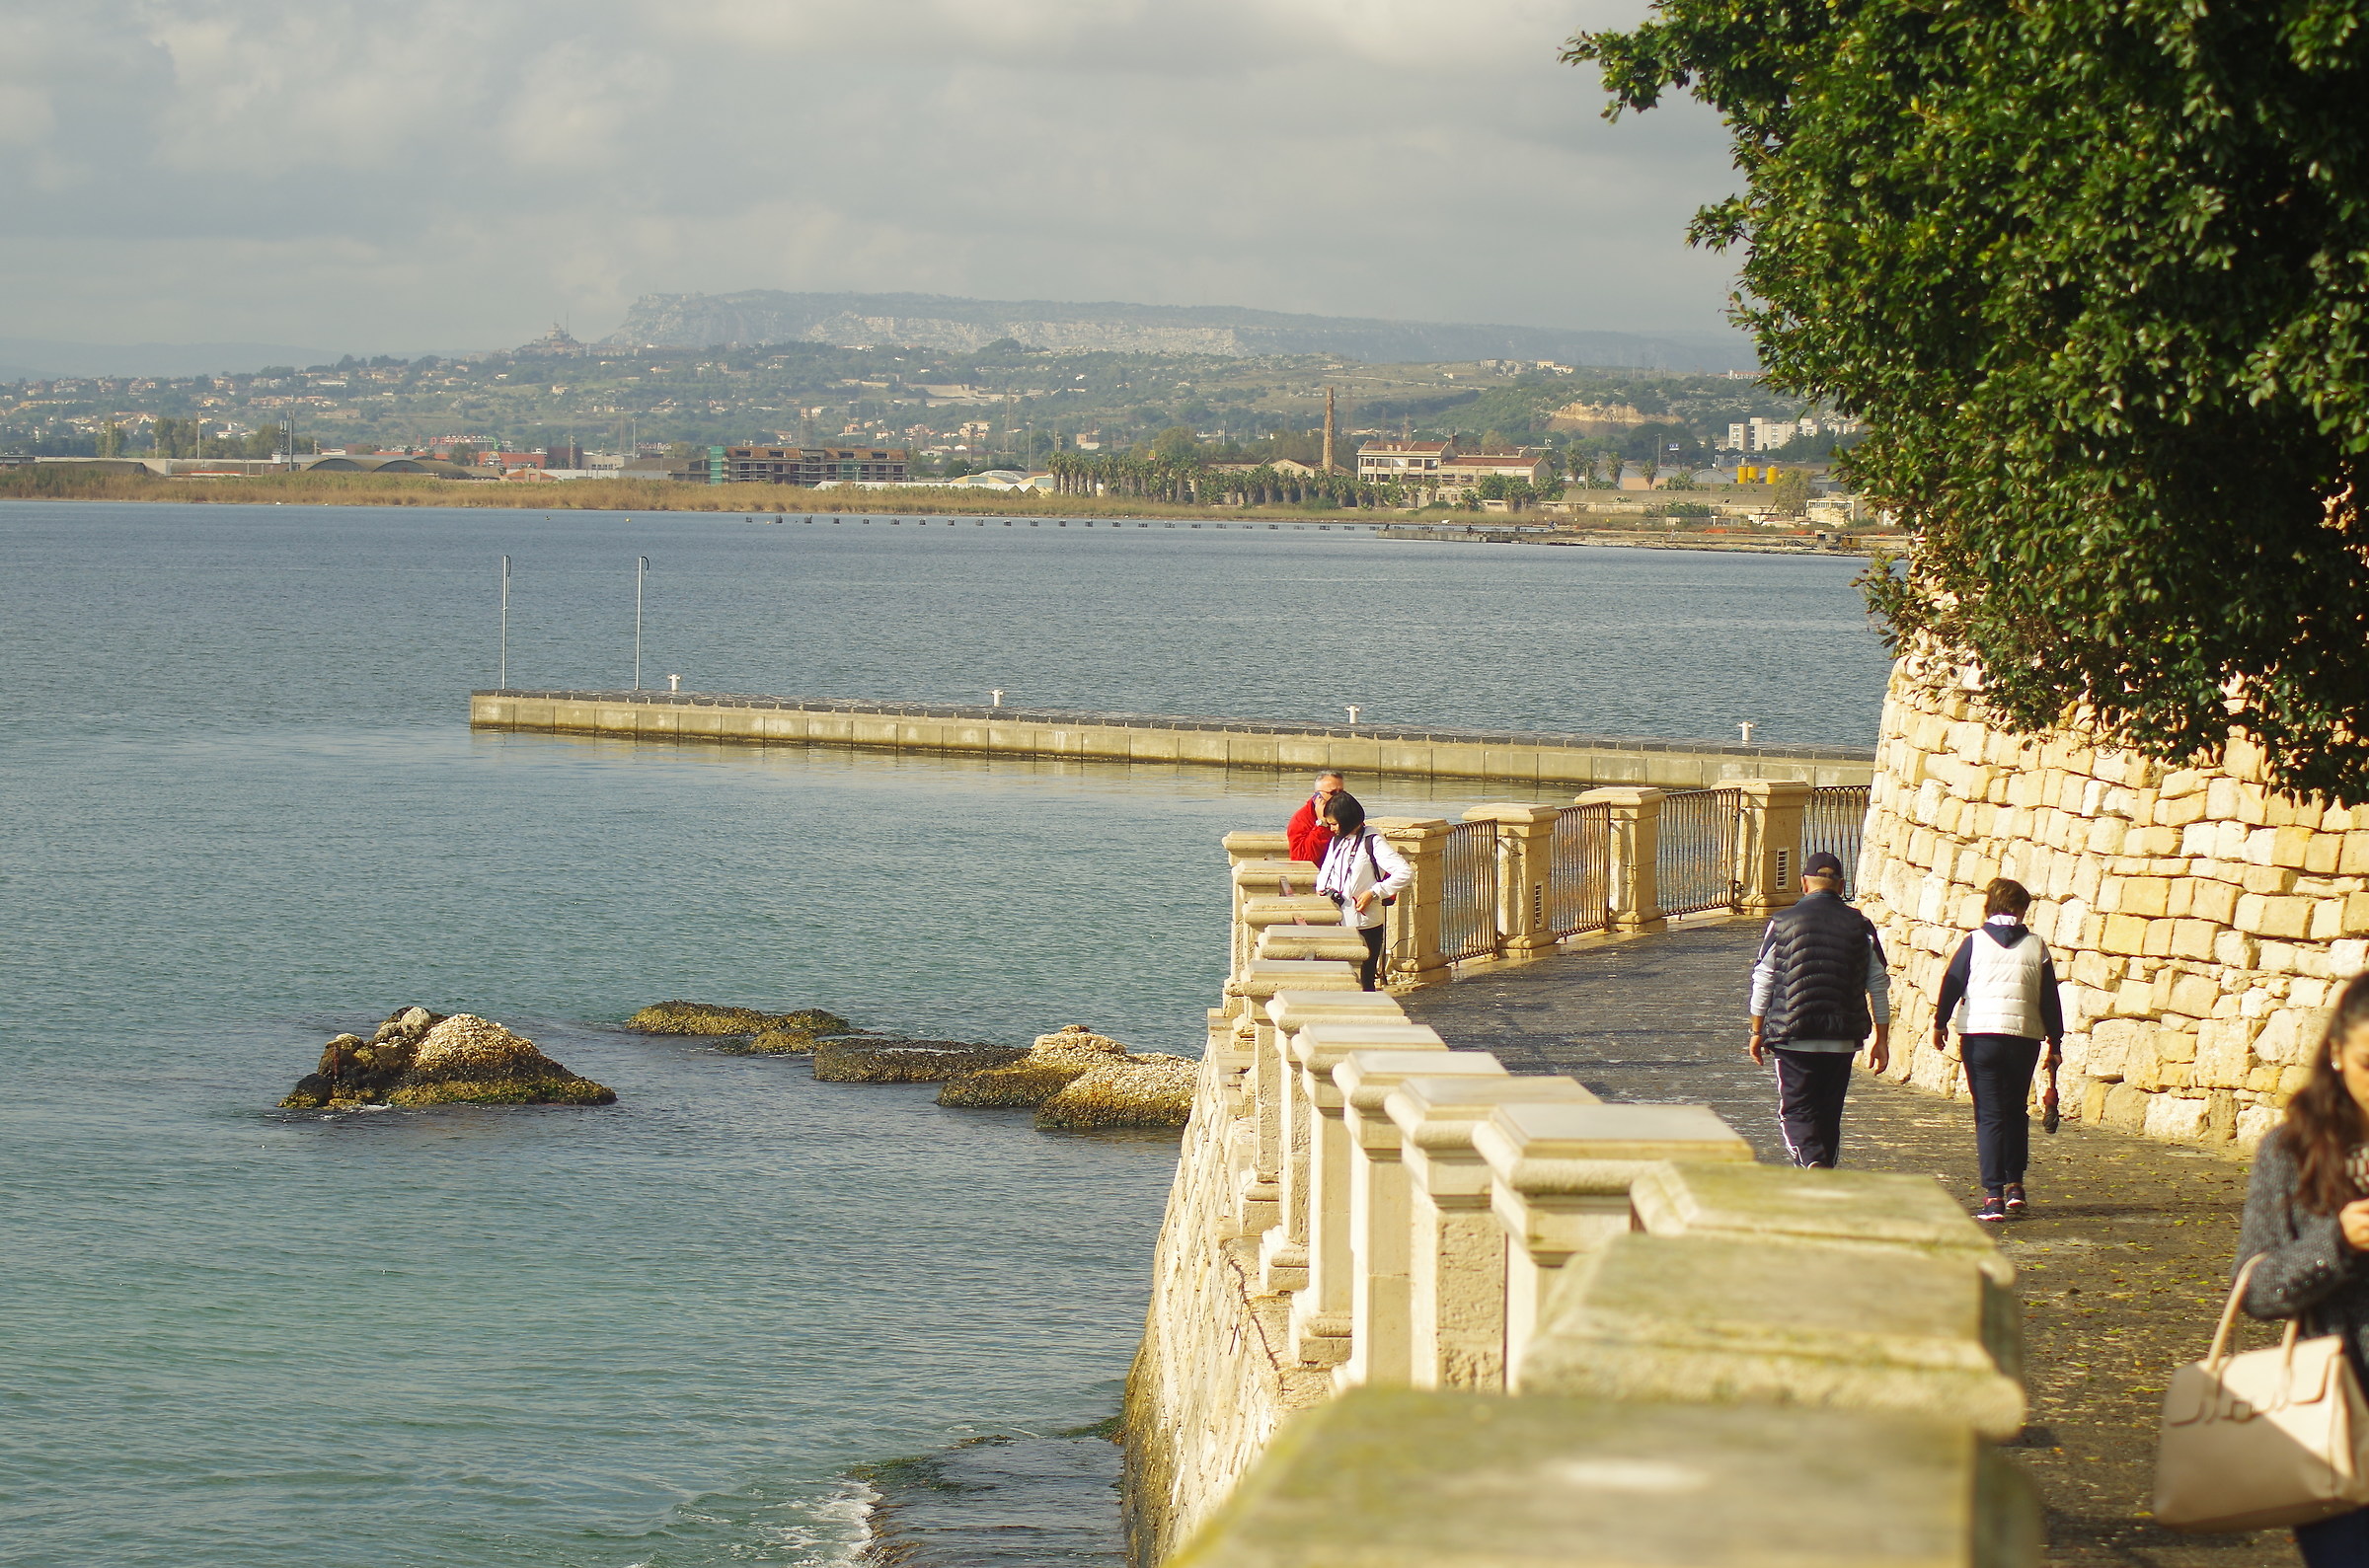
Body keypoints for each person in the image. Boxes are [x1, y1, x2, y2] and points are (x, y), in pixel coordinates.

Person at [2235, 972, 2369, 1566]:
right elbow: (2256, 1289)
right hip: (2330, 1421)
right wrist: (2336, 1243)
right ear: (2337, 1052)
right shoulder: (2291, 1151)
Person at [1746, 850, 1892, 1167]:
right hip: (1842, 1037)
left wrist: (1757, 1031)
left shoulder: (1781, 922)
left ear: (1803, 884)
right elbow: (1878, 984)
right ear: (1841, 886)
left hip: (1792, 1035)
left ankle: (1812, 1164)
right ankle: (1823, 1170)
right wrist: (1881, 1039)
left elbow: (1764, 979)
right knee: (1829, 1113)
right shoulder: (1861, 925)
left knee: (1796, 1111)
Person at [1934, 877, 2065, 1223]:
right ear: (2021, 910)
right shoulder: (2037, 946)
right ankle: (2015, 1187)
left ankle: (1992, 1196)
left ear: (1989, 906)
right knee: (2015, 1111)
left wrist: (1939, 1022)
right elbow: (2050, 999)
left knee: (1989, 1115)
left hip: (1981, 1037)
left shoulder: (1974, 943)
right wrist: (2056, 1041)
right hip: (2023, 1036)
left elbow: (1952, 983)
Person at [1313, 792, 1409, 991]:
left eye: (1335, 824)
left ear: (1347, 820)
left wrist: (1374, 892)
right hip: (1337, 922)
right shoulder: (1338, 840)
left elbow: (1405, 873)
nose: (1332, 829)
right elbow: (1326, 871)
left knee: (1364, 984)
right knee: (1338, 981)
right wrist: (1323, 893)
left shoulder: (1372, 841)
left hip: (1364, 924)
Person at [1287, 772, 1346, 863]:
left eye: (1341, 792)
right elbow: (1301, 859)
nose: (1339, 797)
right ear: (1318, 795)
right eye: (1333, 793)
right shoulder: (1301, 819)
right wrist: (1322, 825)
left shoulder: (1347, 810)